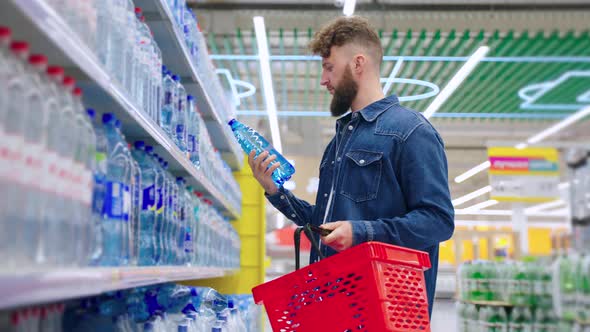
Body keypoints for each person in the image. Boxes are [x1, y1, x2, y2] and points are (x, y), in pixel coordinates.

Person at [247, 16, 454, 316]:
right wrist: (275, 191)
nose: (323, 80)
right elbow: (324, 224)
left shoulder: (411, 132)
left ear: (358, 64)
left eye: (329, 66)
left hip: (384, 312)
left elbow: (438, 221)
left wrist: (361, 232)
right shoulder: (338, 145)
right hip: (335, 307)